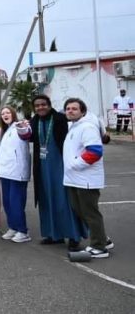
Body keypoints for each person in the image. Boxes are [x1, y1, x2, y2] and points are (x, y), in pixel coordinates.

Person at [20, 95, 86, 249]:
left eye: (43, 104)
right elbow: (29, 138)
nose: (40, 107)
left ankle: (74, 236)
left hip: (60, 165)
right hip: (42, 167)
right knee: (46, 200)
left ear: (49, 105)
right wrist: (22, 129)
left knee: (64, 201)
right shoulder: (34, 121)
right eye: (37, 106)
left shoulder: (60, 119)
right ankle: (54, 235)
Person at [63, 98, 112, 258]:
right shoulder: (73, 127)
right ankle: (103, 239)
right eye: (68, 108)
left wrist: (75, 164)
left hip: (86, 179)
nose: (70, 111)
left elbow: (95, 152)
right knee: (81, 211)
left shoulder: (87, 127)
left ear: (82, 112)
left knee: (90, 213)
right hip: (74, 178)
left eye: (74, 109)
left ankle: (99, 247)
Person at [0, 106, 32, 243]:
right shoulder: (2, 130)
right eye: (2, 113)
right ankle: (13, 227)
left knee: (16, 202)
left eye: (7, 112)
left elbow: (26, 134)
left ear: (13, 114)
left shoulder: (19, 126)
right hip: (4, 171)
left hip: (17, 172)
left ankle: (23, 230)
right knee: (7, 202)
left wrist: (23, 127)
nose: (5, 115)